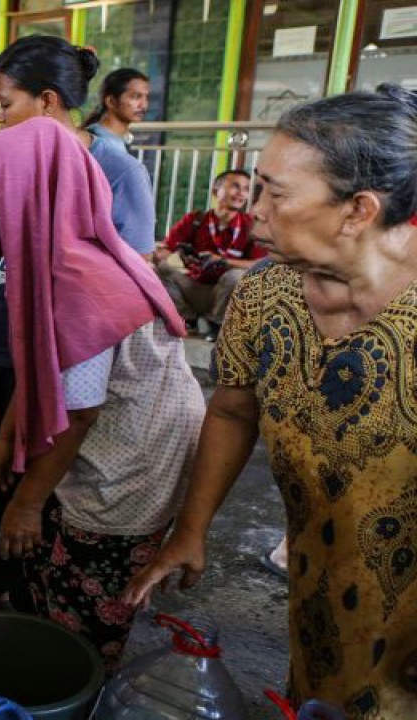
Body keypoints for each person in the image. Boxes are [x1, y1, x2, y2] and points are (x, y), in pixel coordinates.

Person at [124, 86, 417, 715]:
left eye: (274, 194)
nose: (254, 210)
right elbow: (233, 410)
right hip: (318, 575)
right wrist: (191, 529)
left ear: (358, 210)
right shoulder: (264, 297)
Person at [0, 116, 205, 671]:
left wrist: (26, 505)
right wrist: (9, 435)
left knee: (88, 583)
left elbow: (79, 412)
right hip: (120, 428)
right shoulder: (63, 254)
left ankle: (78, 678)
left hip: (131, 457)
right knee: (47, 565)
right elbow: (50, 368)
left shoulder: (75, 280)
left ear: (19, 204)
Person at [0, 36, 160, 613]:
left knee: (37, 491)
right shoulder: (3, 159)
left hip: (57, 361)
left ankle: (31, 601)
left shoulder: (99, 168)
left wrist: (14, 428)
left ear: (47, 100)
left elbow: (93, 298)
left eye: (4, 103)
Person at [154, 169, 263, 340]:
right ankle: (187, 319)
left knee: (235, 276)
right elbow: (162, 251)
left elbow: (260, 263)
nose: (241, 193)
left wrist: (224, 261)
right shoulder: (196, 219)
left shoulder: (251, 226)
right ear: (215, 191)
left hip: (225, 295)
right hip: (193, 287)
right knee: (160, 268)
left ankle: (216, 324)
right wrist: (179, 259)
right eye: (235, 186)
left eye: (246, 189)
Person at [83, 68, 150, 149]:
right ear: (111, 102)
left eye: (147, 98)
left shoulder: (115, 140)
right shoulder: (99, 142)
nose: (144, 105)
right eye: (136, 97)